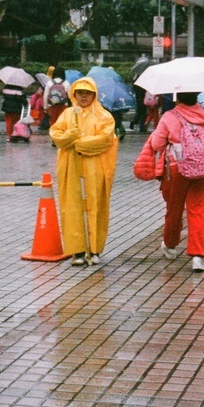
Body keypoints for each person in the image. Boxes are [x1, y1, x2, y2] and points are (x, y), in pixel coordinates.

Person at [50, 77, 118, 267]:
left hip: (94, 167)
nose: (84, 97)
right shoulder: (67, 114)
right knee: (72, 207)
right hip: (71, 167)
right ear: (74, 95)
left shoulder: (104, 116)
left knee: (95, 206)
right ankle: (77, 251)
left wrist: (79, 143)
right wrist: (71, 135)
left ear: (94, 94)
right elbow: (56, 136)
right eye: (80, 93)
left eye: (87, 93)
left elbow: (105, 140)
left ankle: (94, 249)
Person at [149, 92, 204, 272]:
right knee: (197, 210)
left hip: (176, 169)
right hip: (202, 170)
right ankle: (197, 255)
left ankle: (170, 244)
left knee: (175, 207)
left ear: (177, 98)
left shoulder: (170, 116)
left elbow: (156, 144)